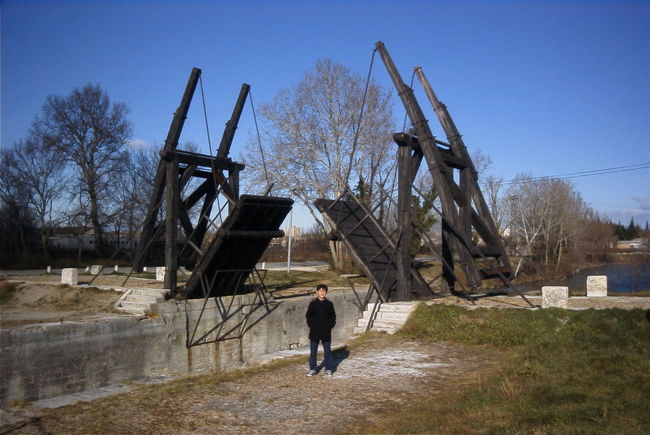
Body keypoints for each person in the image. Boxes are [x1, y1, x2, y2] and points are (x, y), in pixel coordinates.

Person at [305, 284, 336, 377]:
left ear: (326, 292)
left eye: (324, 291)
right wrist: (311, 325)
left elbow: (333, 316)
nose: (322, 293)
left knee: (327, 352)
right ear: (317, 292)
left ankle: (329, 369)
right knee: (313, 352)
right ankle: (312, 368)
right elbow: (308, 316)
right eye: (320, 291)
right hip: (315, 331)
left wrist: (330, 326)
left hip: (326, 332)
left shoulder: (329, 304)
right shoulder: (313, 304)